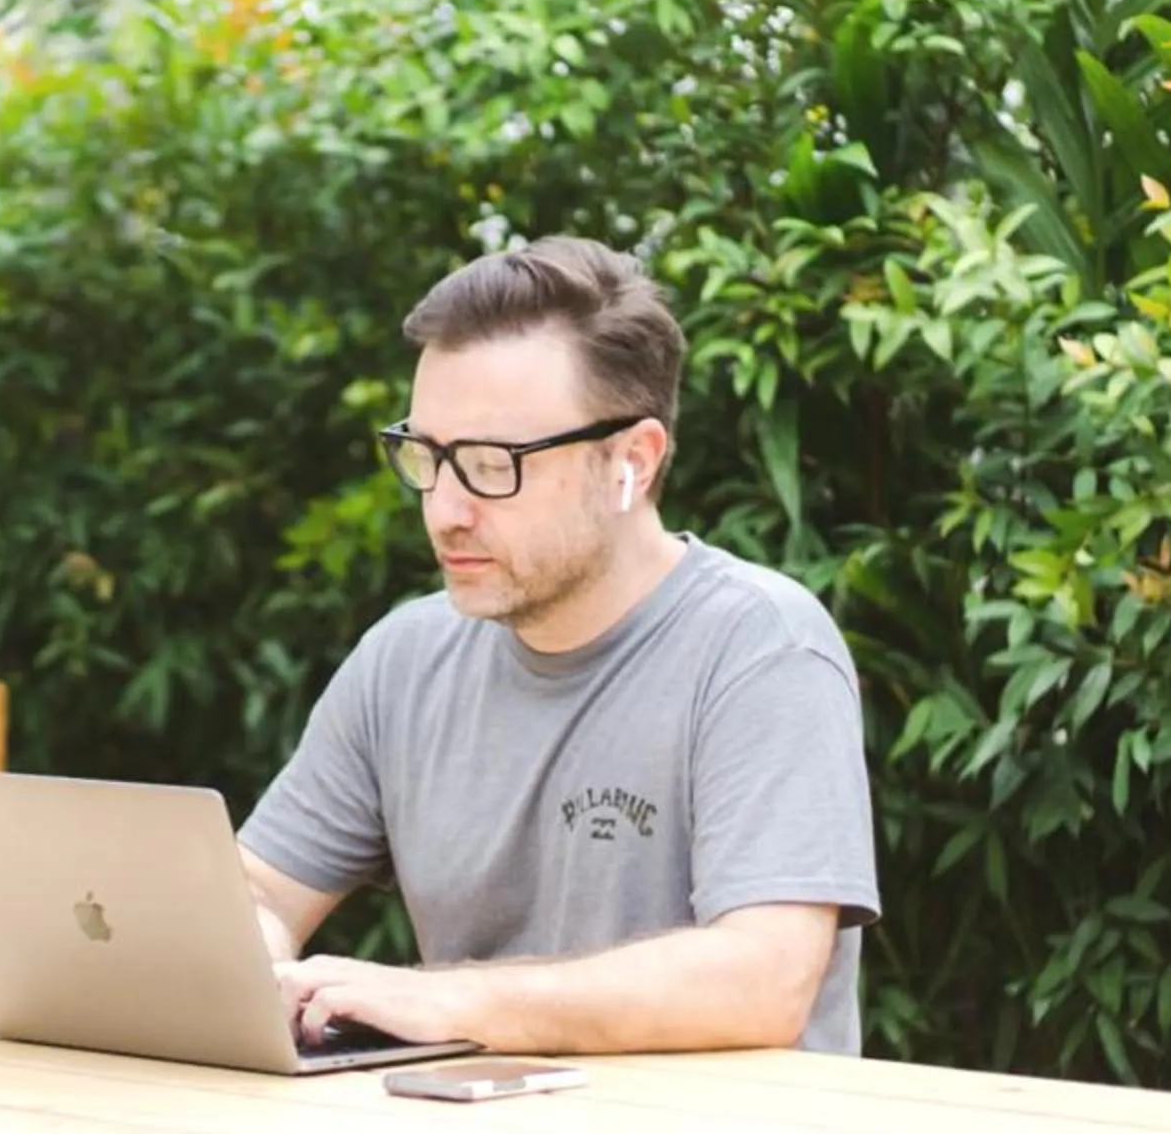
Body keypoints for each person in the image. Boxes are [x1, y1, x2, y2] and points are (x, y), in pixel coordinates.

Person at [238, 235, 880, 1058]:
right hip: (465, 1129)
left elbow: (762, 981)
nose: (445, 511)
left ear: (631, 462)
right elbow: (257, 891)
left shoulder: (761, 650)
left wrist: (447, 1000)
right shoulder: (405, 660)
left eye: (491, 464)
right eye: (428, 457)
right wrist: (251, 965)